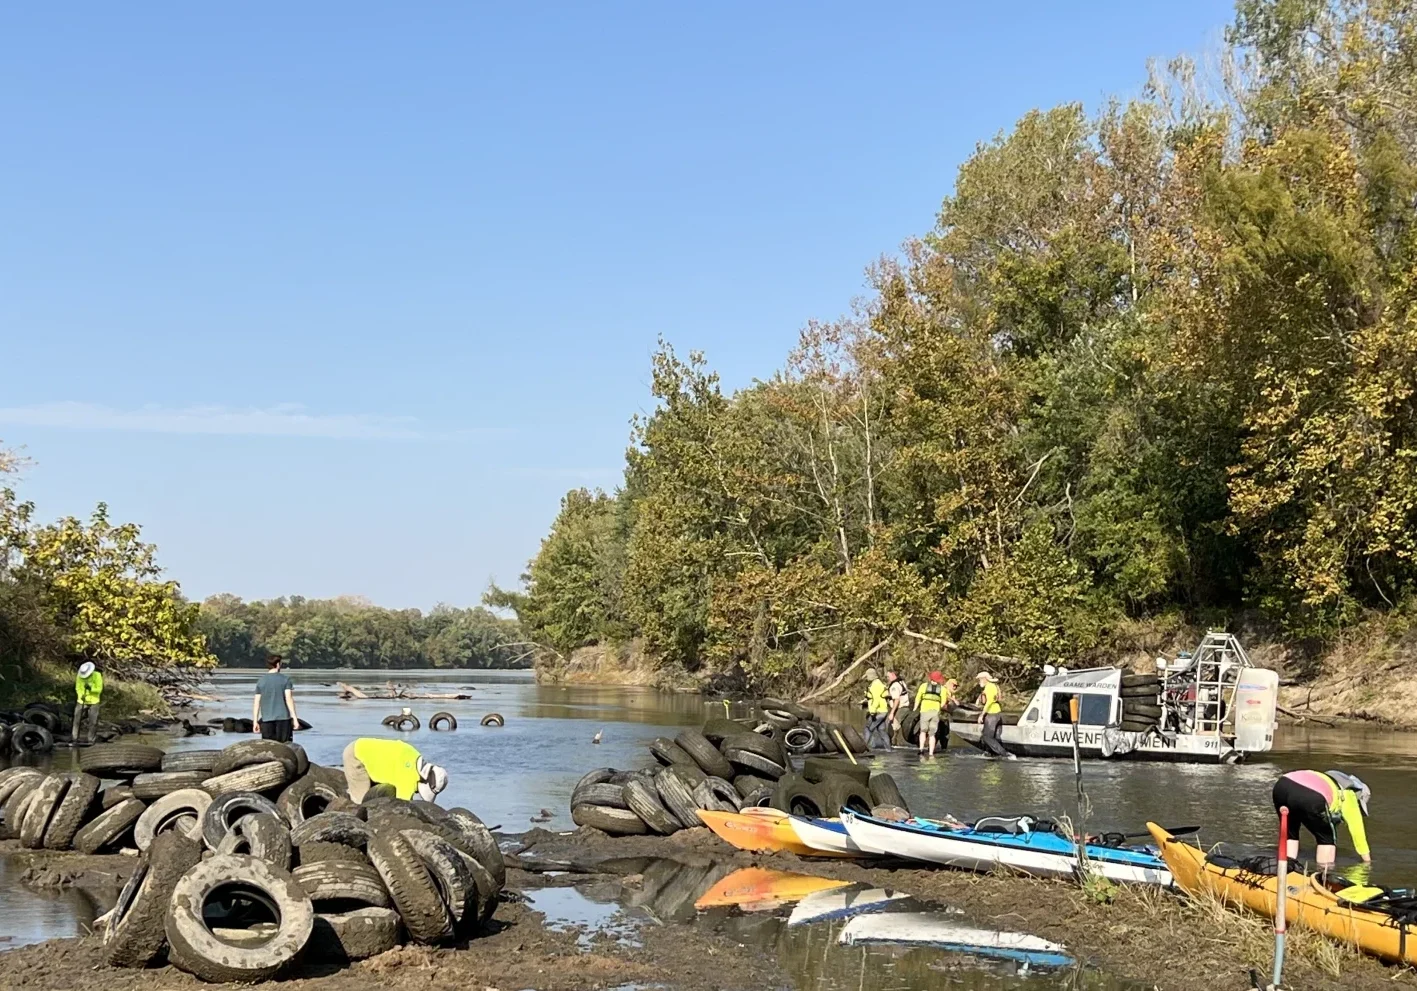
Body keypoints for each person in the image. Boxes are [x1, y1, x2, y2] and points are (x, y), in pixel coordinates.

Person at [1272, 769, 1371, 870]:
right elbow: (1357, 831)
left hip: (1282, 785)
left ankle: (1285, 872)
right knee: (1327, 839)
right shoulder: (1350, 794)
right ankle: (1323, 876)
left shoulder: (1326, 779)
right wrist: (1367, 863)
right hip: (1310, 795)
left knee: (1291, 833)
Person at [342, 737, 450, 803]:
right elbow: (402, 805)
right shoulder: (408, 780)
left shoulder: (414, 754)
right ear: (423, 781)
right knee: (360, 802)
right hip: (356, 756)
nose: (416, 792)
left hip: (361, 746)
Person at [252, 654, 298, 743]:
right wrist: (295, 719)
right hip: (284, 720)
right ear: (277, 664)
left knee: (269, 749)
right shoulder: (285, 680)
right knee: (285, 747)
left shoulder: (261, 681)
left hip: (266, 720)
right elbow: (289, 699)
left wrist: (255, 722)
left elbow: (256, 703)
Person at [975, 671, 1015, 760]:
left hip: (992, 714)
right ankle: (989, 754)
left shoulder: (990, 687)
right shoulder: (992, 687)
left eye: (979, 679)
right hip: (996, 712)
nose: (978, 682)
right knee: (991, 736)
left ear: (984, 679)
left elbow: (989, 702)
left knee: (987, 736)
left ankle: (1005, 754)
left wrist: (982, 715)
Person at [914, 671, 951, 757]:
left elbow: (918, 698)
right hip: (935, 713)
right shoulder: (942, 689)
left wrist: (915, 708)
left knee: (923, 731)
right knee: (932, 734)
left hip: (924, 711)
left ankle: (921, 749)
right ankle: (931, 753)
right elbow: (943, 702)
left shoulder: (923, 686)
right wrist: (938, 708)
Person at [71, 661, 103, 746]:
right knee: (77, 720)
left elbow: (99, 689)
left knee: (93, 722)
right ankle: (74, 739)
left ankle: (91, 740)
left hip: (94, 701)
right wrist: (81, 695)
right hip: (82, 701)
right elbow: (78, 687)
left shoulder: (97, 675)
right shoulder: (79, 676)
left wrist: (91, 689)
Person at [862, 667, 891, 750]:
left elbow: (876, 699)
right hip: (883, 711)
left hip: (877, 712)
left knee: (868, 729)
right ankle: (889, 750)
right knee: (882, 731)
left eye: (867, 676)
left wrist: (872, 712)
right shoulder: (878, 684)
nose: (866, 678)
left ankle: (863, 749)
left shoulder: (875, 686)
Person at [885, 670, 909, 746]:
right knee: (892, 725)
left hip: (900, 708)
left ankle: (894, 743)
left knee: (894, 725)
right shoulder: (901, 682)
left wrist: (892, 713)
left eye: (888, 676)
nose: (887, 678)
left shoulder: (895, 686)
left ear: (893, 675)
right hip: (905, 707)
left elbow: (897, 700)